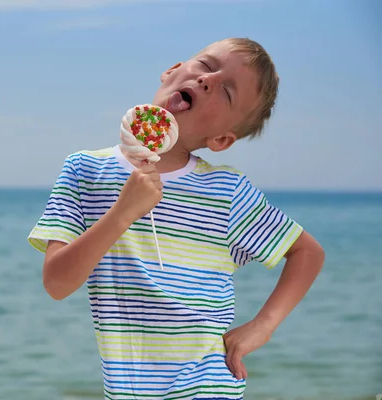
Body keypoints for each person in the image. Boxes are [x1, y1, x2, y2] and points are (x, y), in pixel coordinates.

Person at [27, 37, 325, 400]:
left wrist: (263, 326)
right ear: (172, 71)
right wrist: (122, 214)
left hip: (209, 386)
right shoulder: (85, 171)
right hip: (128, 390)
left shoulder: (226, 191)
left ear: (221, 140)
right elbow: (56, 283)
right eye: (205, 65)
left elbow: (307, 253)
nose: (208, 80)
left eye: (227, 92)